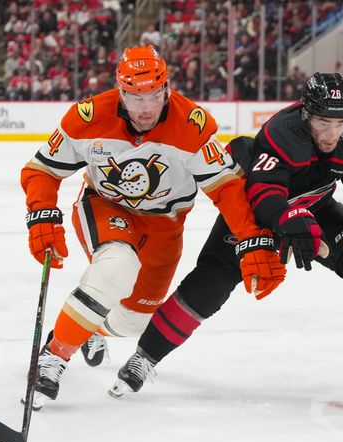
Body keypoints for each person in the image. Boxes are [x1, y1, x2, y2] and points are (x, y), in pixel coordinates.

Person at [93, 72, 343, 398]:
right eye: (321, 123)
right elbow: (264, 191)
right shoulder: (282, 131)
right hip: (258, 215)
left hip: (315, 211)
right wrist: (288, 217)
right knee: (210, 283)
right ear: (305, 116)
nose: (331, 134)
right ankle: (144, 357)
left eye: (340, 124)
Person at [20, 45, 285, 405]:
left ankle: (88, 327)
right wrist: (41, 215)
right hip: (105, 205)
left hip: (166, 224)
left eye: (154, 96)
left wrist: (252, 239)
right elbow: (42, 170)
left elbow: (226, 188)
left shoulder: (191, 125)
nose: (145, 108)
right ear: (120, 92)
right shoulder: (88, 117)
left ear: (167, 89)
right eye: (134, 97)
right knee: (117, 265)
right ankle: (54, 356)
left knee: (133, 322)